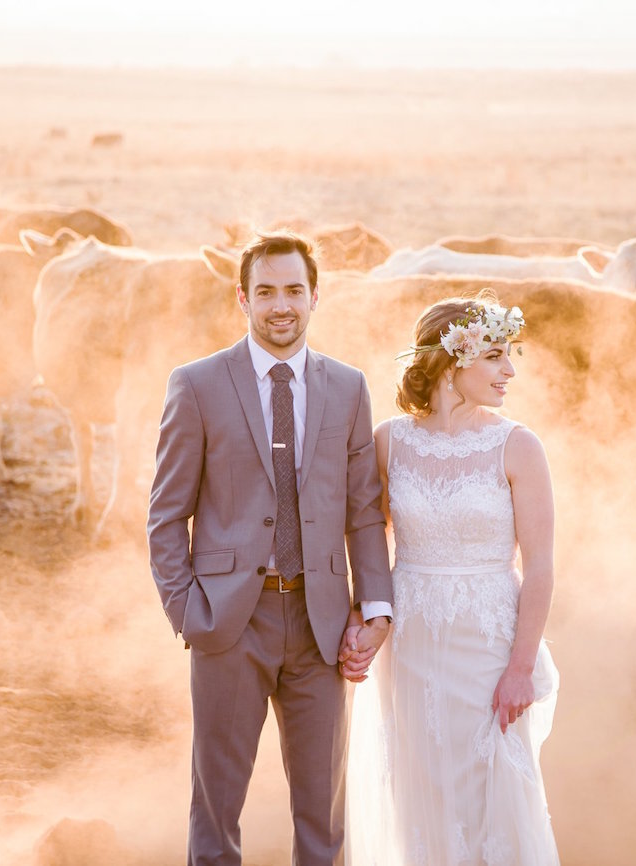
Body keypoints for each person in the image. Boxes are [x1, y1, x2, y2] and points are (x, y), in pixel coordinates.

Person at [146, 231, 394, 866]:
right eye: (265, 292)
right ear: (242, 298)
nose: (280, 305)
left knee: (324, 816)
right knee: (217, 810)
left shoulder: (348, 387)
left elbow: (364, 512)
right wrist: (187, 612)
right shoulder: (197, 385)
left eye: (293, 290)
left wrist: (376, 610)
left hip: (321, 625)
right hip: (230, 623)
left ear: (315, 296)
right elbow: (167, 515)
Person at [346, 293, 561, 866]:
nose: (510, 370)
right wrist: (360, 614)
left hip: (489, 643)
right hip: (413, 643)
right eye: (494, 355)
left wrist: (520, 669)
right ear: (452, 358)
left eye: (509, 354)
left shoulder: (518, 445)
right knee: (423, 789)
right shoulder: (392, 441)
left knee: (494, 791)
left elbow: (540, 565)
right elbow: (369, 538)